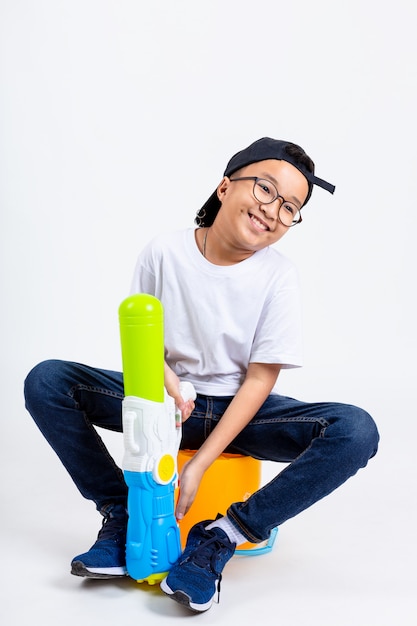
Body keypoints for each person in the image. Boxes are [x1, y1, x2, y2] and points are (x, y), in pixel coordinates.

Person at [24, 137, 379, 613]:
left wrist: (198, 465)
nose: (274, 211)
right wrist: (165, 379)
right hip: (164, 402)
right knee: (48, 381)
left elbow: (259, 380)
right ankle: (121, 513)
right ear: (225, 185)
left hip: (243, 413)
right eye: (267, 190)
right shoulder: (164, 252)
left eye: (291, 207)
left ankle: (222, 536)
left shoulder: (279, 277)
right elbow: (141, 343)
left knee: (356, 430)